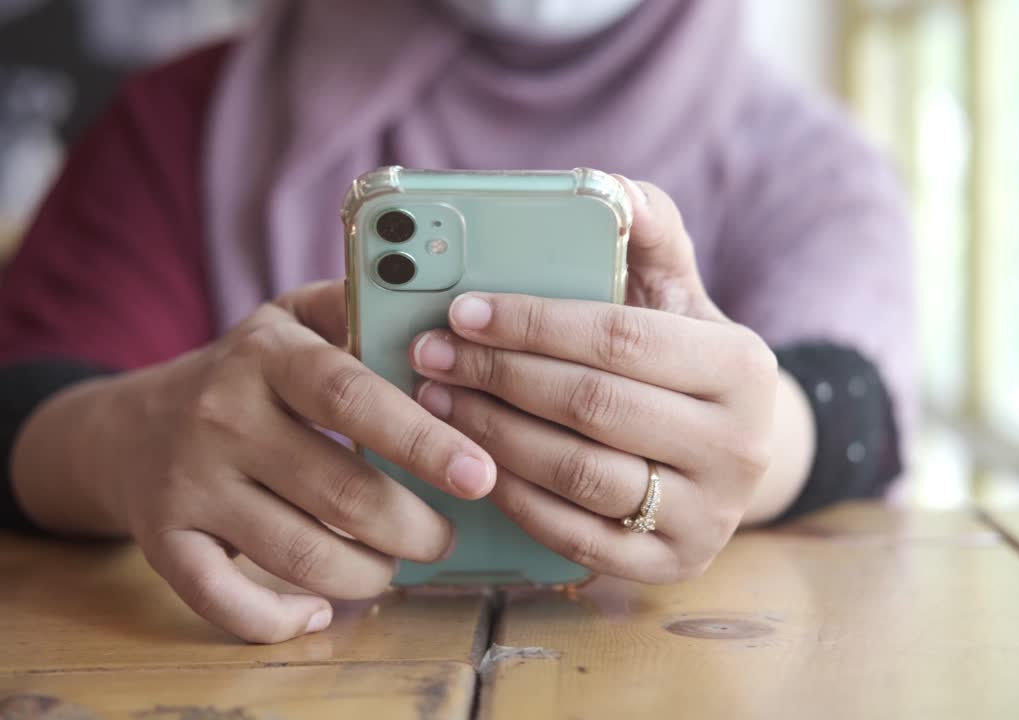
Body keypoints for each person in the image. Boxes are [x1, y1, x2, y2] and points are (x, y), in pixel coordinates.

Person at [0, 0, 912, 644]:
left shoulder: (812, 170)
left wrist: (768, 437)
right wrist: (121, 441)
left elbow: (857, 406)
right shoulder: (175, 127)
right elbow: (22, 394)